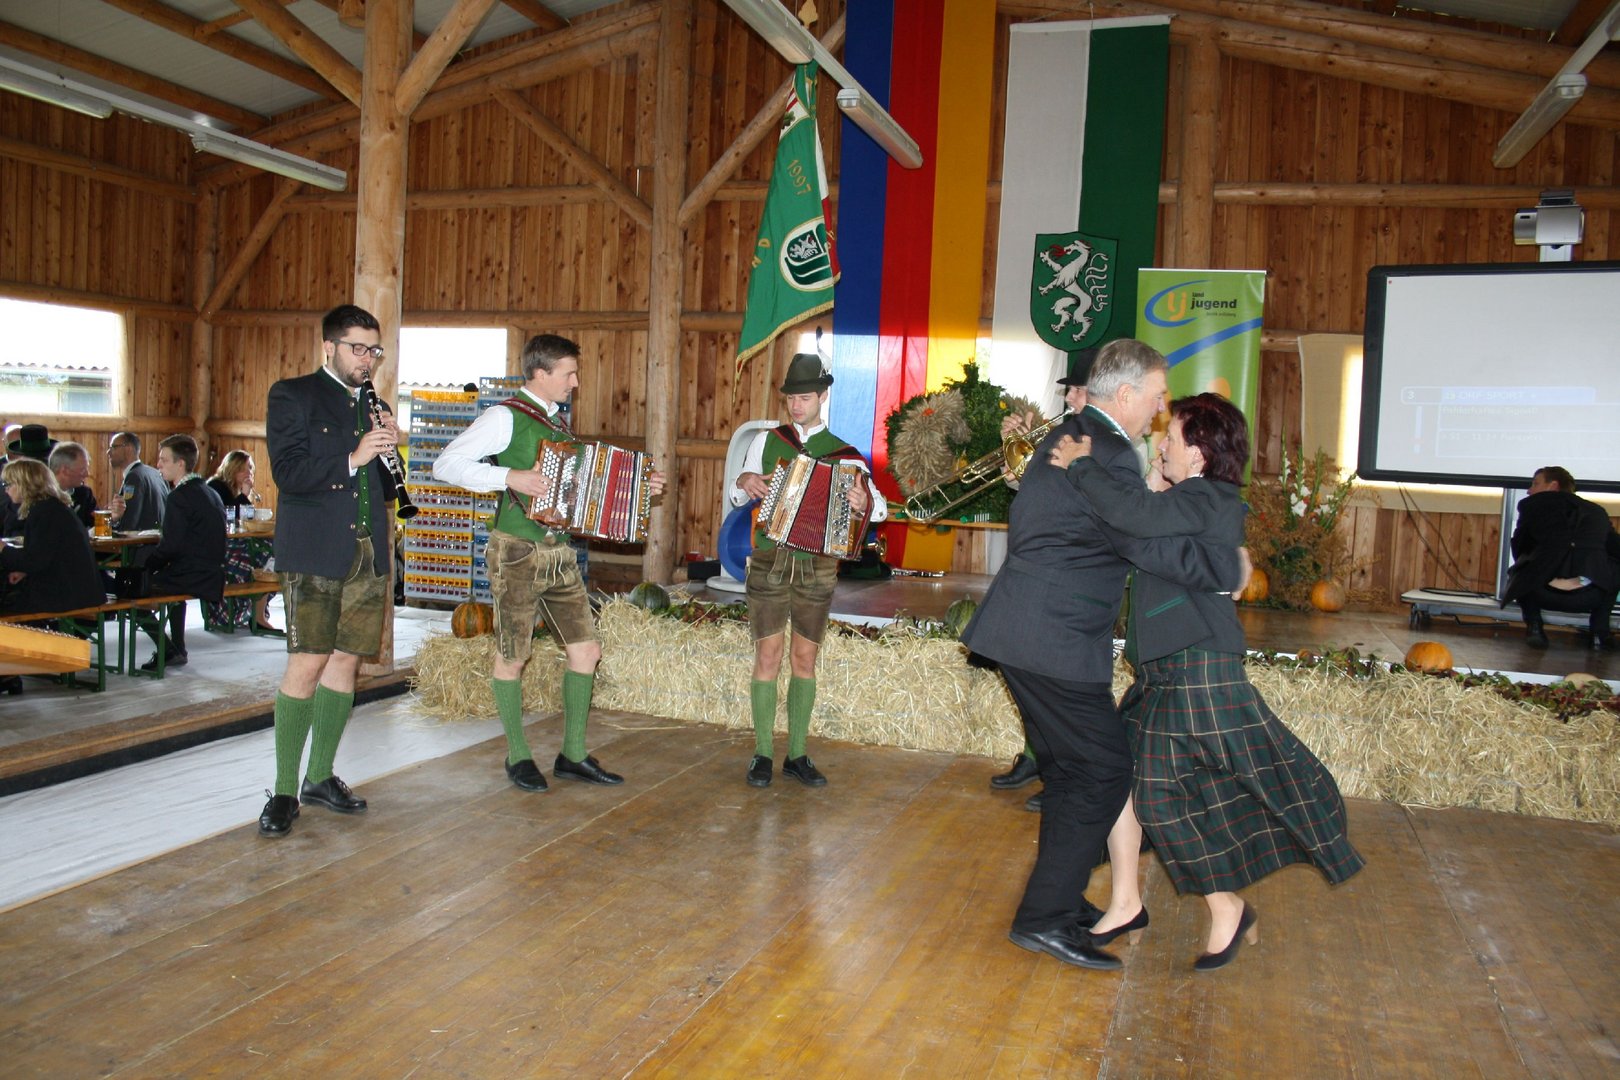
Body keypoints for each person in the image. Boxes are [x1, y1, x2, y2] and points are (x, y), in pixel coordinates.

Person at [959, 339, 1246, 972]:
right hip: (1052, 638)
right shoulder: (1110, 452)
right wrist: (1223, 567)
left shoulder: (1071, 434)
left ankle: (1055, 905)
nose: (1160, 408)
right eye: (1157, 396)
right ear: (1126, 394)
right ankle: (1043, 918)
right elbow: (1140, 539)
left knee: (1071, 773)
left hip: (1030, 631)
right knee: (1104, 772)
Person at [1051, 393, 1365, 970]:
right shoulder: (1189, 501)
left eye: (1171, 439)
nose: (1161, 445)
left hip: (1196, 665)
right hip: (1168, 668)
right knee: (1123, 781)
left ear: (1198, 454)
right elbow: (1144, 527)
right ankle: (1128, 902)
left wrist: (1082, 464)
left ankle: (1221, 909)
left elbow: (1136, 525)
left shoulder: (1208, 497)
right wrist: (1148, 484)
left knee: (1158, 796)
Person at [433, 333, 665, 794]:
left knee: (586, 651)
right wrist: (509, 476)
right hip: (517, 551)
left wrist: (639, 489)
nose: (575, 383)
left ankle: (572, 754)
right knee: (512, 655)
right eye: (568, 374)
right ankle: (518, 755)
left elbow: (579, 492)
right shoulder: (505, 417)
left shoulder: (555, 423)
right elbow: (446, 465)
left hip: (558, 552)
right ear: (540, 373)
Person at [257, 304, 400, 838]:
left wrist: (388, 451)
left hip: (367, 550)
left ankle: (319, 776)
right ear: (329, 347)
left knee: (345, 663)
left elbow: (382, 488)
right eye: (357, 348)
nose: (367, 359)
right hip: (315, 550)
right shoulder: (292, 395)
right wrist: (354, 456)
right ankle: (284, 790)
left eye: (373, 350)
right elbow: (288, 473)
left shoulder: (374, 405)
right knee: (308, 663)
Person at [729, 353, 885, 788]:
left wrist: (863, 503)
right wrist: (744, 482)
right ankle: (762, 751)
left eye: (804, 398)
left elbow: (879, 509)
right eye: (790, 399)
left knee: (804, 658)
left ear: (822, 397)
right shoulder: (768, 441)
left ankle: (797, 753)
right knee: (768, 655)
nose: (796, 406)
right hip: (770, 561)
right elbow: (738, 493)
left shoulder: (846, 455)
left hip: (817, 568)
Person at [990, 350, 1095, 803]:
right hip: (1039, 569)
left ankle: (1059, 771)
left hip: (1074, 576)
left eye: (1077, 390)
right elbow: (1022, 485)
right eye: (1068, 390)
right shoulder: (1061, 433)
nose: (1069, 398)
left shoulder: (1110, 443)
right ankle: (1037, 755)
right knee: (1029, 668)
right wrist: (1015, 448)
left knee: (1056, 681)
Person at [1501, 466, 1620, 651]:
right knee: (1614, 569)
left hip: (1542, 590)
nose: (1529, 490)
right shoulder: (1597, 511)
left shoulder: (1532, 506)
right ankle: (1599, 634)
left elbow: (1520, 546)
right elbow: (1615, 548)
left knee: (1521, 565)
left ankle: (1534, 627)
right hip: (1590, 595)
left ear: (1553, 485)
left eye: (1535, 484)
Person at [139, 434, 227, 671]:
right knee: (170, 587)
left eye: (164, 460)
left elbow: (171, 546)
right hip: (211, 573)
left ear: (180, 464)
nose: (158, 465)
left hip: (192, 574)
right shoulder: (209, 492)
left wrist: (146, 567)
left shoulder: (179, 496)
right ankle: (178, 648)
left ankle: (168, 648)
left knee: (132, 594)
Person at [0, 458, 104, 616]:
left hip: (68, 594)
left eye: (8, 484)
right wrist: (24, 571)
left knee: (8, 606)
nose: (6, 490)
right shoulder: (51, 507)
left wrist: (3, 549)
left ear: (24, 484)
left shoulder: (44, 512)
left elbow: (33, 560)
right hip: (79, 589)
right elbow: (46, 556)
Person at [207, 450, 279, 633]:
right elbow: (227, 517)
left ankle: (258, 612)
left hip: (237, 542)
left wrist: (245, 496)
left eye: (250, 469)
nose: (248, 473)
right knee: (263, 554)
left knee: (272, 550)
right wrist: (244, 496)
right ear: (232, 469)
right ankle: (249, 611)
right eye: (243, 469)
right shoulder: (216, 487)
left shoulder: (238, 490)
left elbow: (247, 520)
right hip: (218, 547)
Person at [105, 431, 169, 575]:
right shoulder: (155, 473)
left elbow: (129, 524)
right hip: (159, 552)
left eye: (113, 447)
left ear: (128, 448)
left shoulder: (134, 477)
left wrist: (112, 524)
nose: (109, 452)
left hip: (139, 556)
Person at [47, 442, 97, 529]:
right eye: (83, 469)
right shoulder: (40, 495)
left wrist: (113, 518)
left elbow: (96, 524)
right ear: (65, 471)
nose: (87, 474)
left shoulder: (84, 494)